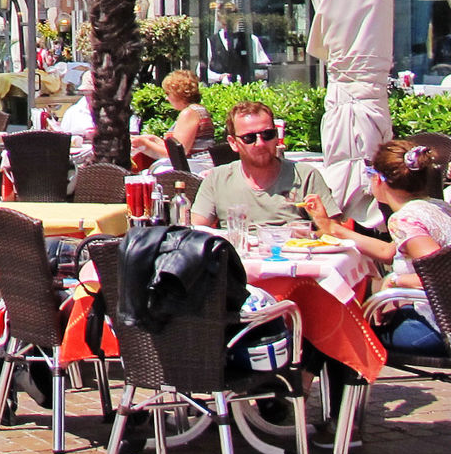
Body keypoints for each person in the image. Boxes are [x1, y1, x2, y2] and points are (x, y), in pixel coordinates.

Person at [306, 140, 451, 354]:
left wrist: (393, 281)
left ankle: (313, 385)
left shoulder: (405, 220)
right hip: (435, 318)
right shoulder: (436, 207)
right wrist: (332, 228)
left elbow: (442, 278)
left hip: (436, 328)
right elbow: (389, 252)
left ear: (379, 180)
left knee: (341, 329)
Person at [192, 101, 332, 233]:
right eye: (249, 138)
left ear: (277, 136)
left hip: (296, 254)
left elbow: (334, 233)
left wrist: (309, 232)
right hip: (238, 255)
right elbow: (195, 230)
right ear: (233, 143)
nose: (260, 143)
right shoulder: (217, 179)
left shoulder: (305, 175)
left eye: (267, 134)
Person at [131, 69, 214, 171]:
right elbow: (177, 147)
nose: (167, 98)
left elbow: (178, 153)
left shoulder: (189, 113)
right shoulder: (197, 110)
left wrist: (144, 143)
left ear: (178, 93)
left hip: (194, 168)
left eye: (168, 93)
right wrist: (154, 140)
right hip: (196, 165)